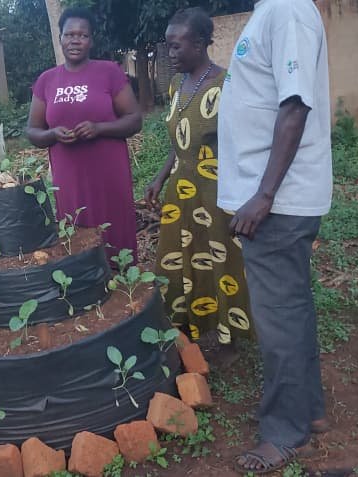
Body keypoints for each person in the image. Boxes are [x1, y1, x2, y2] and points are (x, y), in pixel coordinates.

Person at [216, 0, 333, 473]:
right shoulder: (271, 10)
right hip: (272, 201)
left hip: (276, 205)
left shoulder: (287, 11)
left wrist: (263, 195)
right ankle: (311, 411)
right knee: (293, 310)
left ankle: (286, 433)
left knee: (279, 319)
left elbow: (295, 104)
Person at [144, 7, 251, 365]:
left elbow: (244, 143)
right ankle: (185, 331)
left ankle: (228, 341)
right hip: (182, 189)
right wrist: (160, 177)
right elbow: (180, 143)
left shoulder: (227, 85)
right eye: (168, 46)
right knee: (178, 259)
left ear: (202, 43)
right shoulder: (177, 84)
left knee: (221, 261)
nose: (171, 54)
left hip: (218, 190)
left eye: (178, 46)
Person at [26, 6, 142, 257]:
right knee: (76, 235)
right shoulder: (47, 80)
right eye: (69, 35)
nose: (75, 40)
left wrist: (99, 128)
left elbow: (134, 120)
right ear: (60, 39)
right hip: (69, 179)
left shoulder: (108, 72)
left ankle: (124, 284)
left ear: (91, 40)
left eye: (82, 35)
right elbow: (33, 131)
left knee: (115, 232)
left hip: (109, 175)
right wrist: (53, 134)